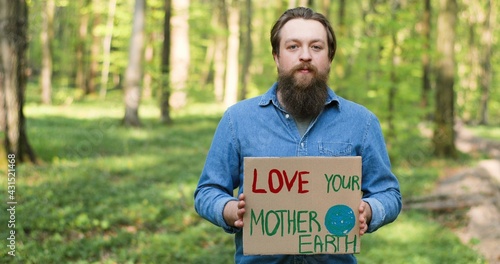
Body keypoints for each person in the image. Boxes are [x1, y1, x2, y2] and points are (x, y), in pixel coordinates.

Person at [194, 6, 402, 263]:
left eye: (316, 47)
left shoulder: (363, 122)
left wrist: (369, 210)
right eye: (293, 47)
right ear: (276, 57)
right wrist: (228, 210)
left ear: (330, 57)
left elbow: (389, 194)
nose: (305, 56)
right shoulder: (238, 119)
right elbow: (207, 191)